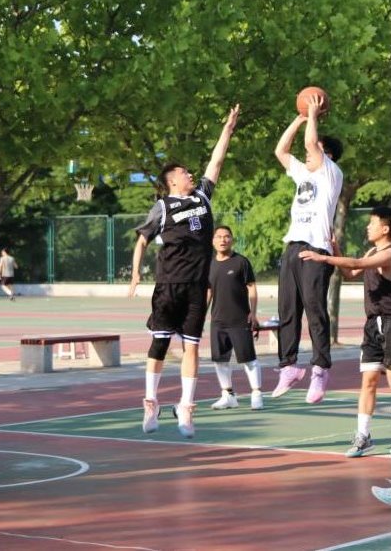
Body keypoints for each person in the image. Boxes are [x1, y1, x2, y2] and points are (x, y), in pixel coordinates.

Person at [129, 104, 240, 438]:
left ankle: (187, 408)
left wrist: (227, 130)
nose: (191, 175)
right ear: (172, 180)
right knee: (160, 345)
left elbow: (216, 163)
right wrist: (135, 274)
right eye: (185, 173)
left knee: (192, 346)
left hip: (196, 286)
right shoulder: (162, 207)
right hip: (168, 285)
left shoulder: (202, 197)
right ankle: (151, 402)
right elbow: (142, 240)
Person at [299, 207, 391, 466]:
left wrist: (323, 258)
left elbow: (357, 264)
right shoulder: (372, 252)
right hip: (373, 326)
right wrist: (335, 248)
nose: (368, 227)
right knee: (369, 381)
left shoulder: (388, 253)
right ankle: (363, 436)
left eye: (372, 223)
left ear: (385, 228)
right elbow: (351, 273)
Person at [272, 92, 344, 403]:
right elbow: (281, 150)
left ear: (328, 155)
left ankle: (320, 369)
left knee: (315, 310)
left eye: (315, 151)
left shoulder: (331, 174)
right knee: (287, 311)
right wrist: (300, 118)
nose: (309, 153)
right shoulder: (303, 173)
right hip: (293, 247)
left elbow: (310, 143)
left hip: (316, 250)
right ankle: (288, 366)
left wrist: (313, 115)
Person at [207, 225, 263, 410]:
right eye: (219, 236)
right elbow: (208, 291)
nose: (223, 240)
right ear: (213, 241)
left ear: (232, 239)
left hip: (240, 319)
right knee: (220, 360)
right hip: (217, 321)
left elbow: (252, 287)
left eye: (226, 236)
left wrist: (253, 312)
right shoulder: (209, 264)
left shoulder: (241, 262)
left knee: (248, 358)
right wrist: (200, 315)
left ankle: (256, 394)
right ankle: (228, 396)